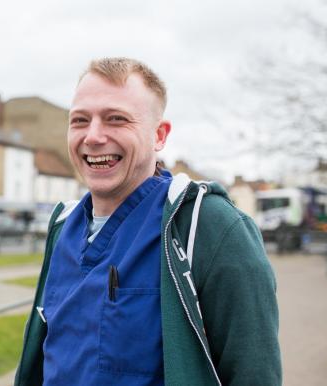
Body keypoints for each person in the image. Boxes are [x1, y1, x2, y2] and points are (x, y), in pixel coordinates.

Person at [14, 58, 281, 386]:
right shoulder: (63, 228)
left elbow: (254, 373)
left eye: (116, 119)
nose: (94, 136)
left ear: (159, 135)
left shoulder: (211, 227)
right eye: (80, 120)